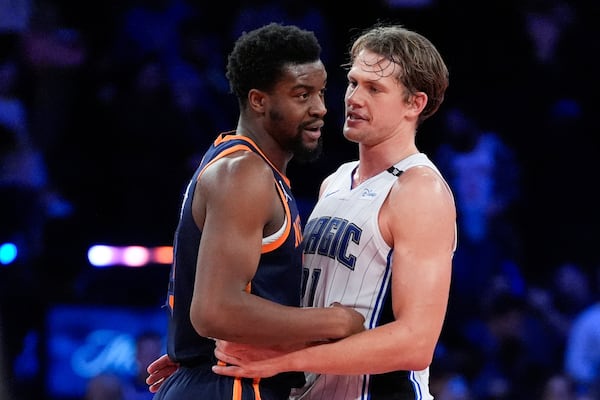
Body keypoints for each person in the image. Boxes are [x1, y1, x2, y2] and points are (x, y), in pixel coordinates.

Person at [148, 22, 456, 400]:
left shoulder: (420, 189)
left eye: (374, 89)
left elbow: (415, 344)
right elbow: (291, 301)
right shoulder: (335, 182)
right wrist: (206, 353)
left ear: (415, 103)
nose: (353, 98)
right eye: (354, 83)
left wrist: (281, 362)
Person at [150, 22, 365, 400]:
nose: (321, 109)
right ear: (258, 100)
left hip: (215, 380)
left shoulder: (237, 162)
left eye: (320, 93)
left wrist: (188, 354)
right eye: (302, 95)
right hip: (229, 385)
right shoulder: (246, 173)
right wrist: (332, 321)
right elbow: (215, 310)